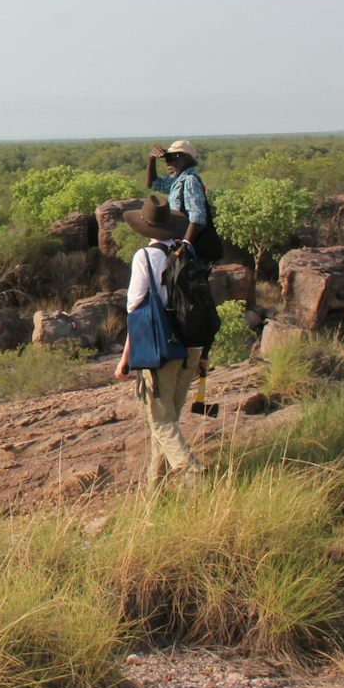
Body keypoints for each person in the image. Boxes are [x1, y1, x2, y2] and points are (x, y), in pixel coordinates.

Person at [113, 194, 206, 491]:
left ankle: (190, 470)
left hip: (159, 348)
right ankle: (156, 491)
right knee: (168, 422)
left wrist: (126, 356)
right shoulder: (188, 252)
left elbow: (135, 309)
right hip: (191, 346)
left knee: (160, 422)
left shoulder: (145, 257)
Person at [146, 139, 211, 251]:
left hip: (185, 244)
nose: (168, 163)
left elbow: (197, 218)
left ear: (186, 159)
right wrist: (151, 159)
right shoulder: (178, 180)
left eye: (173, 158)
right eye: (167, 158)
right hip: (178, 240)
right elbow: (153, 184)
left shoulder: (190, 180)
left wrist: (184, 246)